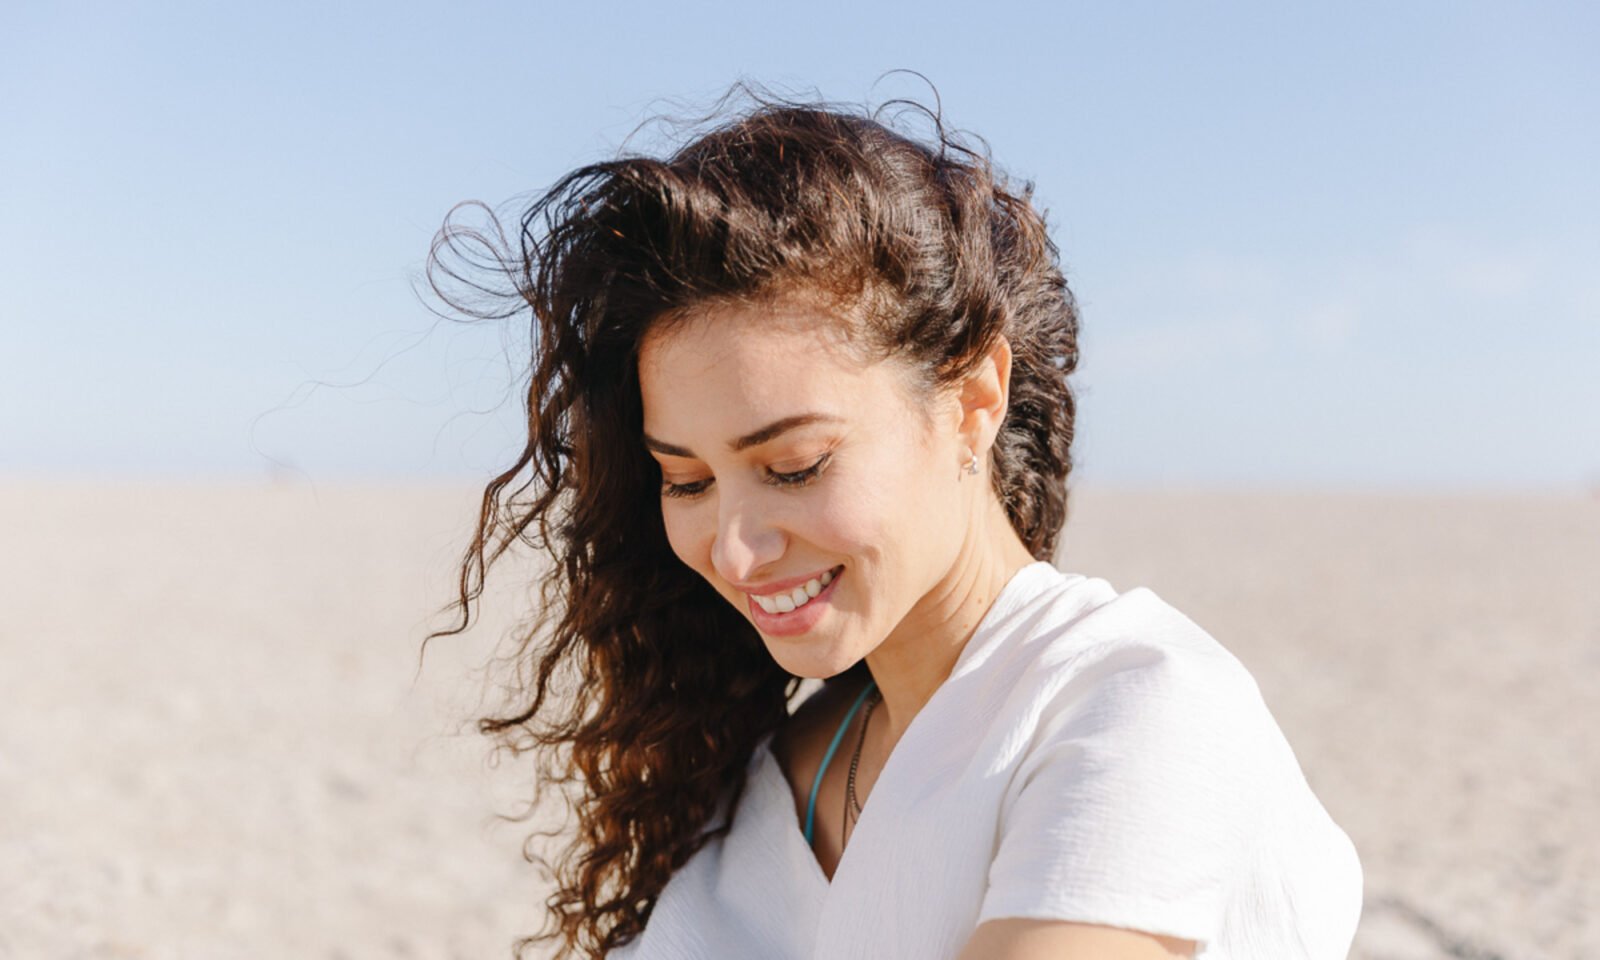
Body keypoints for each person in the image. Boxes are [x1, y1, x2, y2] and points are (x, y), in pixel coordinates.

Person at [422, 79, 1363, 960]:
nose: (738, 550)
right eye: (688, 480)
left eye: (795, 466)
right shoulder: (792, 762)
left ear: (972, 401)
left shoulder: (1133, 708)